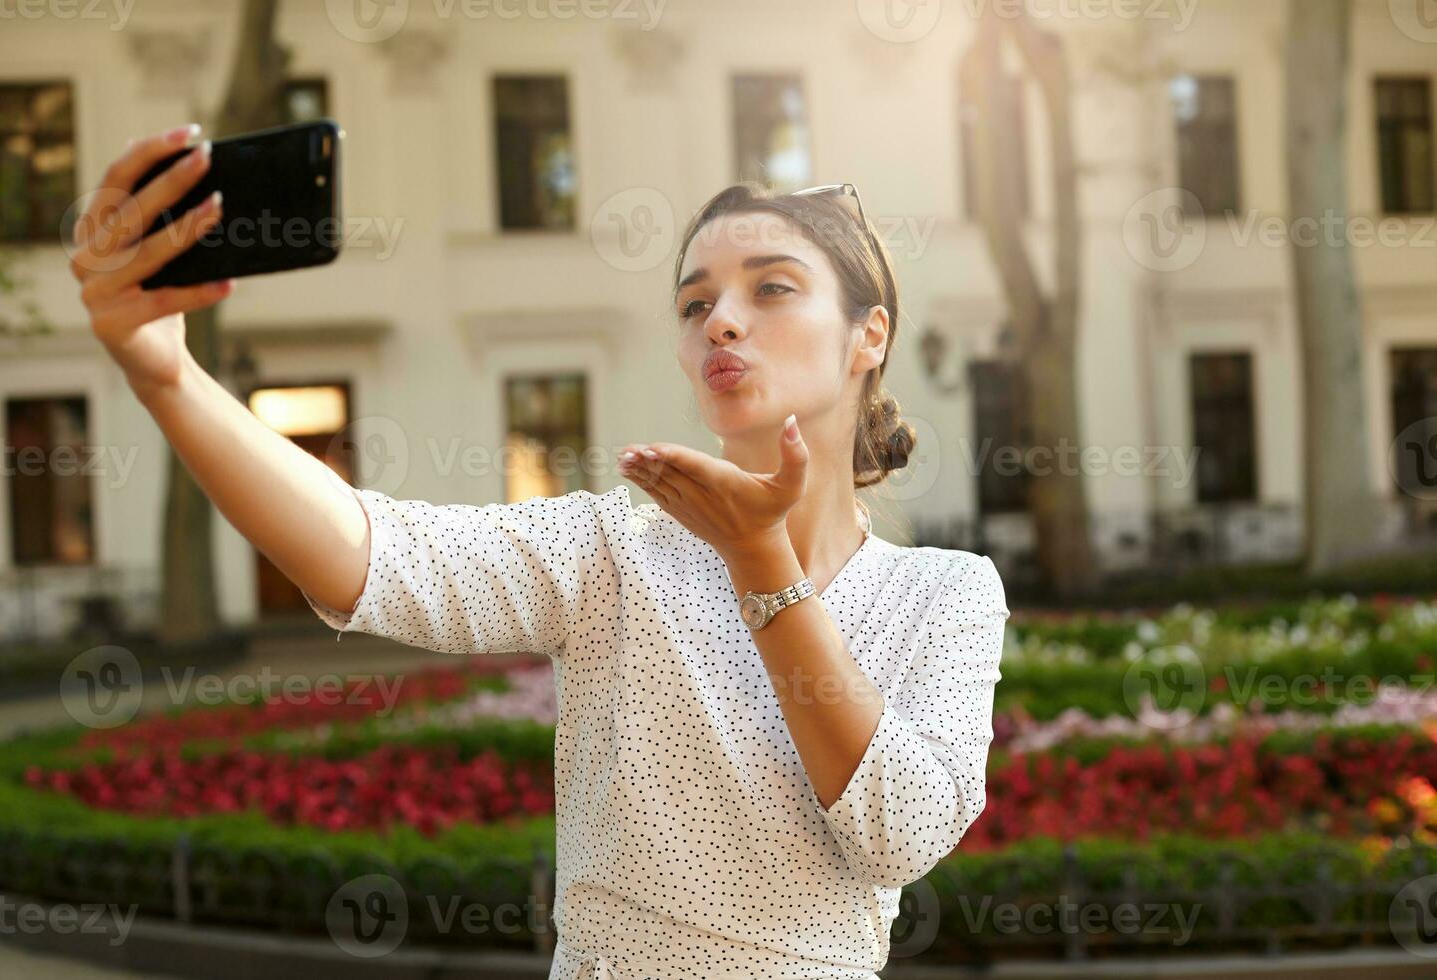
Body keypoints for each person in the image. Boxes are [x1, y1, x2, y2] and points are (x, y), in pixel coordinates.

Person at [72, 124, 1011, 980]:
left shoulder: (946, 593)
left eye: (771, 287)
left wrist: (763, 565)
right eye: (694, 304)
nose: (720, 321)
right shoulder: (611, 549)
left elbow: (904, 831)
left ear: (868, 335)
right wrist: (167, 375)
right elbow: (375, 554)